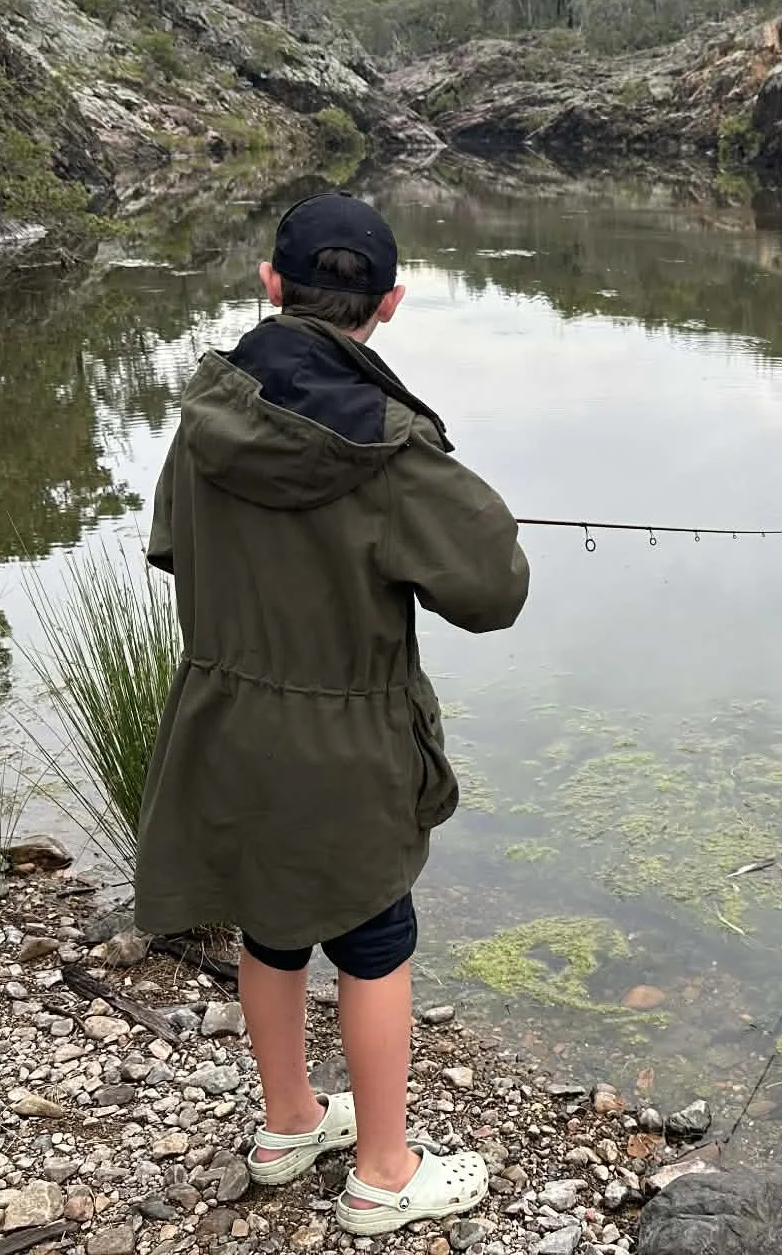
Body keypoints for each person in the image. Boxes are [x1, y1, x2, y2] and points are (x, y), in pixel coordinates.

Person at [135, 191, 530, 1235]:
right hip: (346, 743)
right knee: (374, 938)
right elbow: (494, 594)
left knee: (270, 923)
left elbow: (171, 543)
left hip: (224, 722)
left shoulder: (204, 413)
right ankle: (384, 1173)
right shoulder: (393, 452)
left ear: (271, 284)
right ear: (389, 306)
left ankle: (288, 1123)